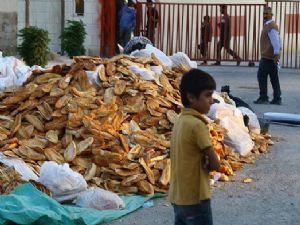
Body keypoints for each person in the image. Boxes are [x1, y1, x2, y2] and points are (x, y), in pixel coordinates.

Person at [168, 69, 220, 225]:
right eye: (207, 95)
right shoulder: (198, 125)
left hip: (178, 198)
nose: (212, 100)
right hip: (195, 198)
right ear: (191, 97)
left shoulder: (180, 121)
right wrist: (209, 162)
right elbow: (215, 165)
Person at [254, 7, 282, 105]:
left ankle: (263, 97)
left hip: (268, 57)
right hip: (270, 57)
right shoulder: (268, 25)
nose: (265, 15)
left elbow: (276, 41)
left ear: (271, 15)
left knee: (261, 76)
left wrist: (276, 54)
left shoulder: (271, 26)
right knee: (274, 78)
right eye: (264, 13)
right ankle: (277, 98)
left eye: (267, 14)